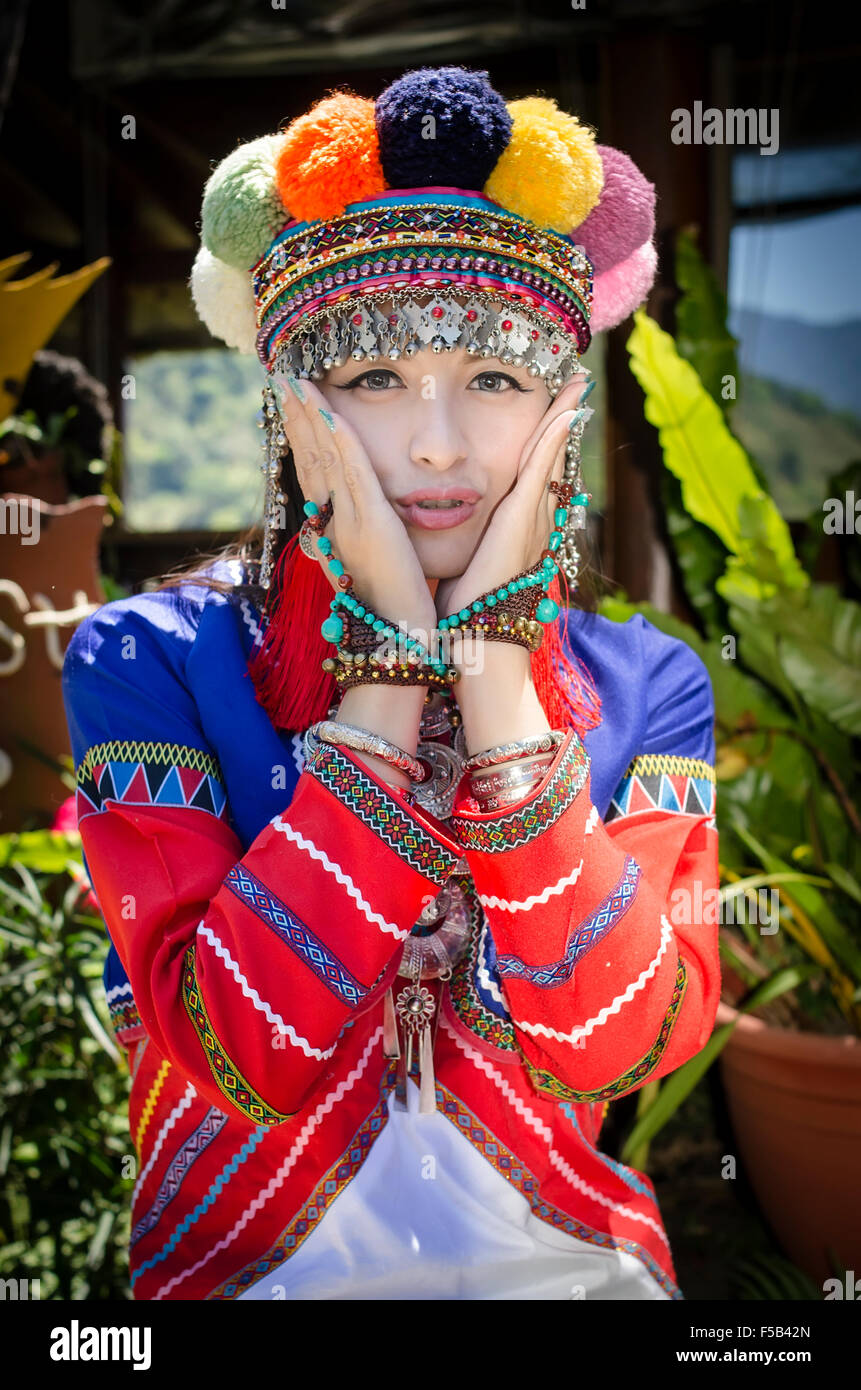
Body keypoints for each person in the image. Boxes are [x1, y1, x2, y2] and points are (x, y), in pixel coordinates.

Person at [61, 66, 719, 1302]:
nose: (434, 442)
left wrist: (496, 677)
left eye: (493, 380)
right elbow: (235, 1054)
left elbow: (613, 1046)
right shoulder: (146, 659)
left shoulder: (653, 683)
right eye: (373, 378)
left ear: (562, 411)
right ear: (291, 413)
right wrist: (378, 672)